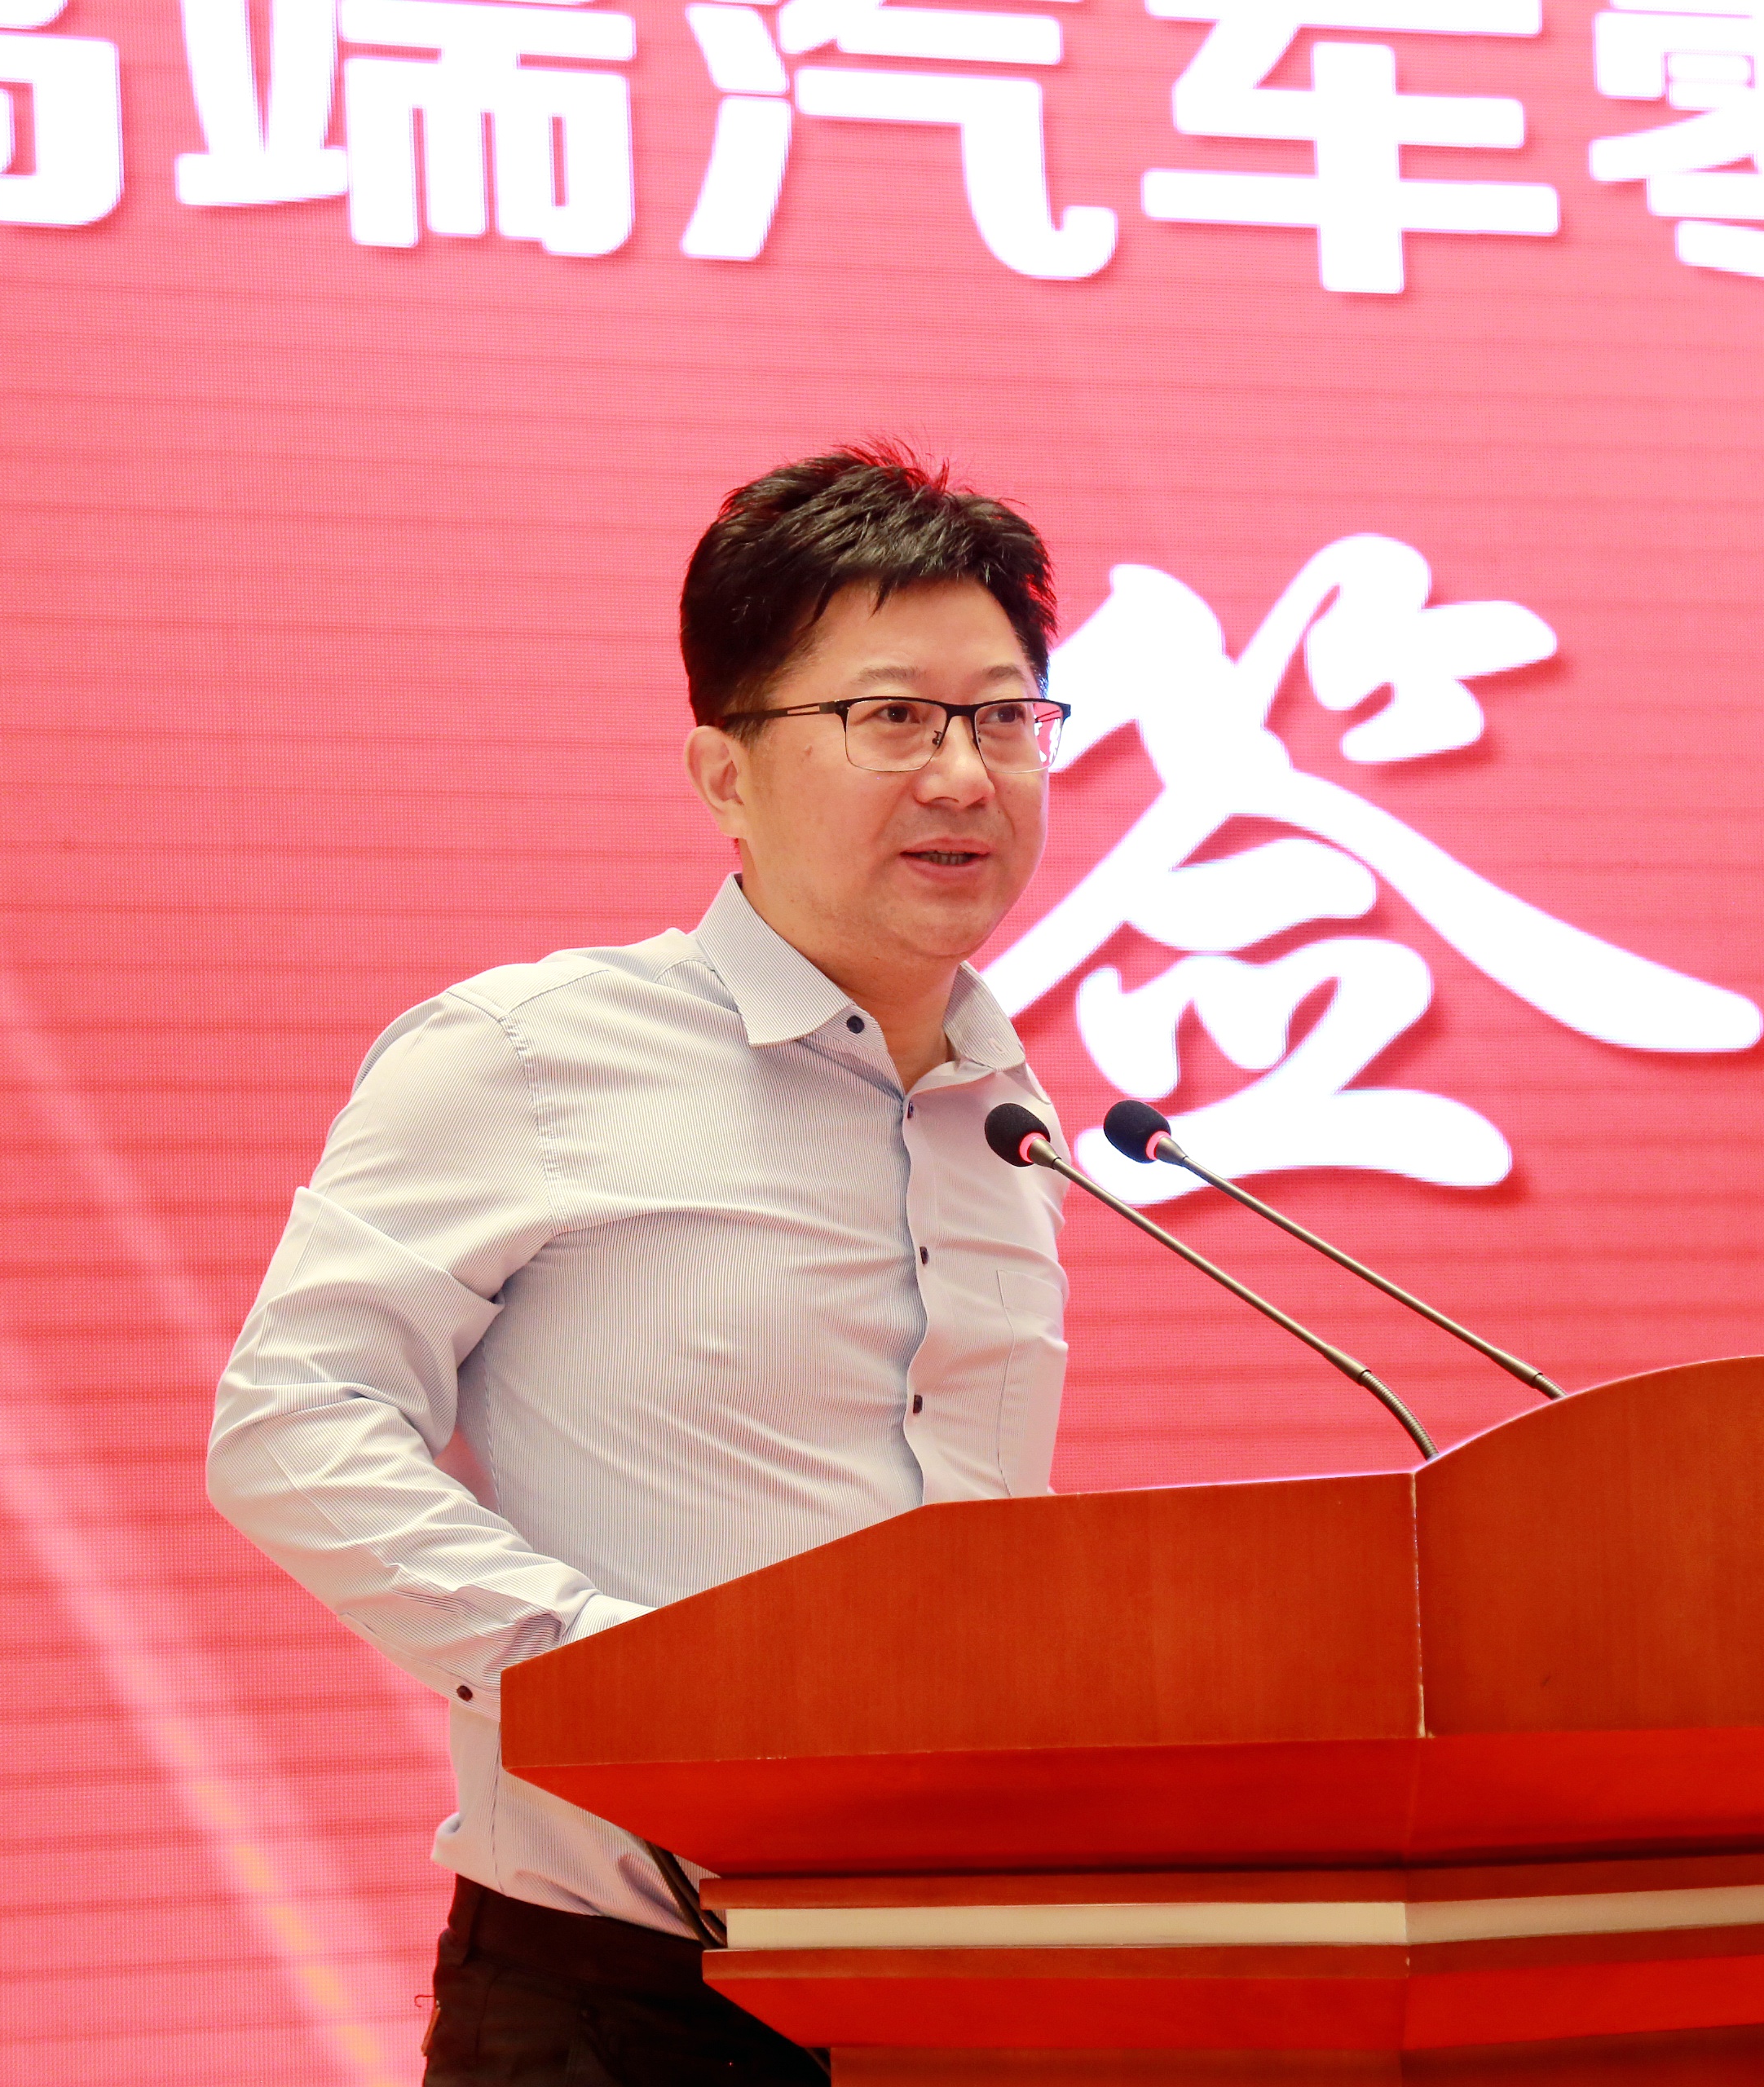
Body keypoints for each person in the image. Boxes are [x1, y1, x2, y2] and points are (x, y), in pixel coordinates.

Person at [208, 443, 1074, 2085]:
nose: (964, 774)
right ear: (722, 771)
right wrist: (615, 1683)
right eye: (893, 717)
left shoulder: (1005, 1116)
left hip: (946, 1988)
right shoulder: (528, 1053)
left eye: (1003, 718)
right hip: (619, 2007)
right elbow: (293, 1423)